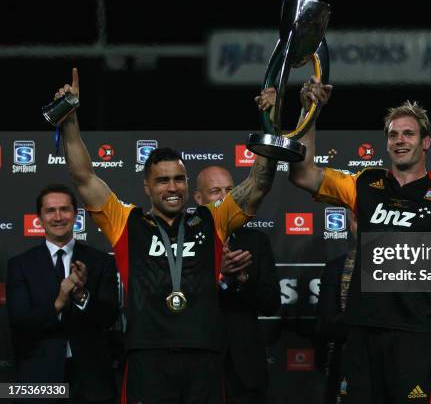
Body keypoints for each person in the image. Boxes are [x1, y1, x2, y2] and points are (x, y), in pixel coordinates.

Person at [259, 78, 431, 404]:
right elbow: (303, 174)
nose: (399, 140)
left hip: (418, 334)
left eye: (408, 133)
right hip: (363, 332)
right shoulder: (364, 184)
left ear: (426, 143)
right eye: (393, 135)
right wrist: (312, 111)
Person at [55, 68, 277, 404]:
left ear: (188, 184)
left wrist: (270, 120)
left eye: (179, 179)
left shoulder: (212, 219)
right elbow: (82, 177)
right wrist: (70, 121)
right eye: (162, 180)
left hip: (204, 354)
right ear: (147, 186)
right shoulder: (125, 223)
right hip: (147, 356)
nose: (172, 187)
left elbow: (259, 182)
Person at [7, 184, 118, 403]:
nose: (58, 217)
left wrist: (81, 295)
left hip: (91, 380)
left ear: (76, 215)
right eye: (50, 210)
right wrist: (58, 302)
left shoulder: (101, 261)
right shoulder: (20, 265)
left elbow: (109, 316)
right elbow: (18, 322)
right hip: (38, 379)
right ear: (39, 217)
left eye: (65, 209)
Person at [194, 165, 280, 404]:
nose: (224, 197)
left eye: (230, 190)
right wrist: (218, 275)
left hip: (246, 373)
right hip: (199, 369)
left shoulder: (256, 241)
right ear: (198, 199)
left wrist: (244, 280)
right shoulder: (183, 241)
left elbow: (271, 304)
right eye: (215, 191)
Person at [316, 212, 357, 404]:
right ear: (351, 224)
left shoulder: (406, 266)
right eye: (358, 219)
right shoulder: (336, 268)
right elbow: (326, 326)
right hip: (348, 367)